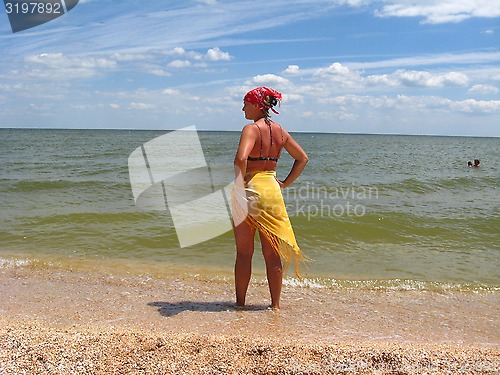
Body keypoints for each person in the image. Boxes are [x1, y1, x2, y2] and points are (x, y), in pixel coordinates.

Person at [232, 86, 309, 309]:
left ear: (257, 105)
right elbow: (302, 158)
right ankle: (275, 306)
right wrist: (285, 183)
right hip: (272, 192)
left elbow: (240, 159)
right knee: (272, 255)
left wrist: (239, 187)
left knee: (244, 253)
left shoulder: (250, 129)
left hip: (250, 190)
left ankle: (240, 304)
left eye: (245, 103)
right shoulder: (280, 131)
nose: (242, 108)